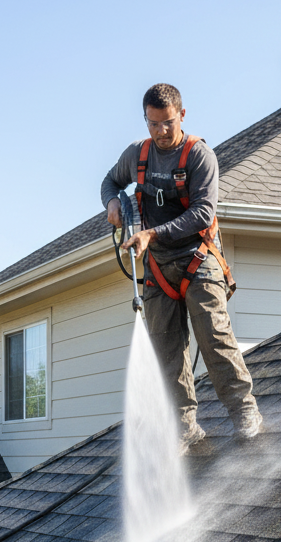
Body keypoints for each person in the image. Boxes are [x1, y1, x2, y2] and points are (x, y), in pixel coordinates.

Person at [102, 83, 263, 448]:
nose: (160, 132)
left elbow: (202, 214)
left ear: (182, 116)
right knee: (166, 352)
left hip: (198, 259)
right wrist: (112, 202)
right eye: (153, 124)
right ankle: (184, 430)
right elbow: (110, 181)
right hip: (159, 269)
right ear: (146, 119)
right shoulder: (137, 155)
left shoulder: (199, 156)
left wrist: (151, 235)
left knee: (214, 339)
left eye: (168, 124)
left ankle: (245, 415)